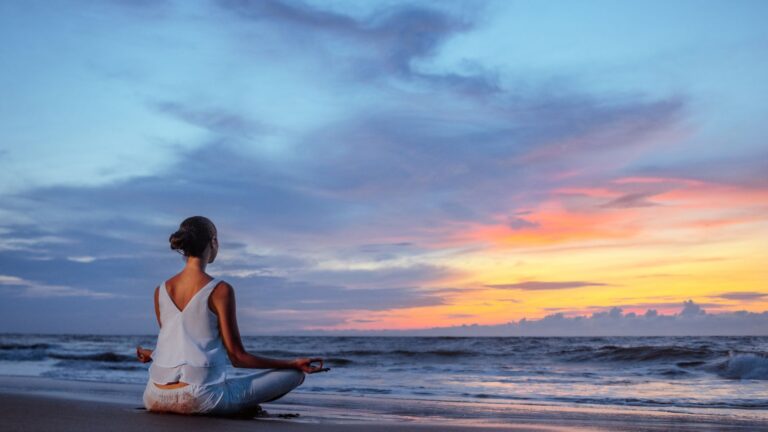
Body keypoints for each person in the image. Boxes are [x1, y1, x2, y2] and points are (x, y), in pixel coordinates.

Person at [136, 216, 326, 417]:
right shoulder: (220, 290)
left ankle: (238, 405)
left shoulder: (161, 290)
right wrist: (292, 363)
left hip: (153, 396)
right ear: (213, 242)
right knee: (294, 376)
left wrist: (153, 354)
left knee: (224, 385)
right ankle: (240, 406)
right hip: (200, 399)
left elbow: (180, 341)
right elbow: (238, 357)